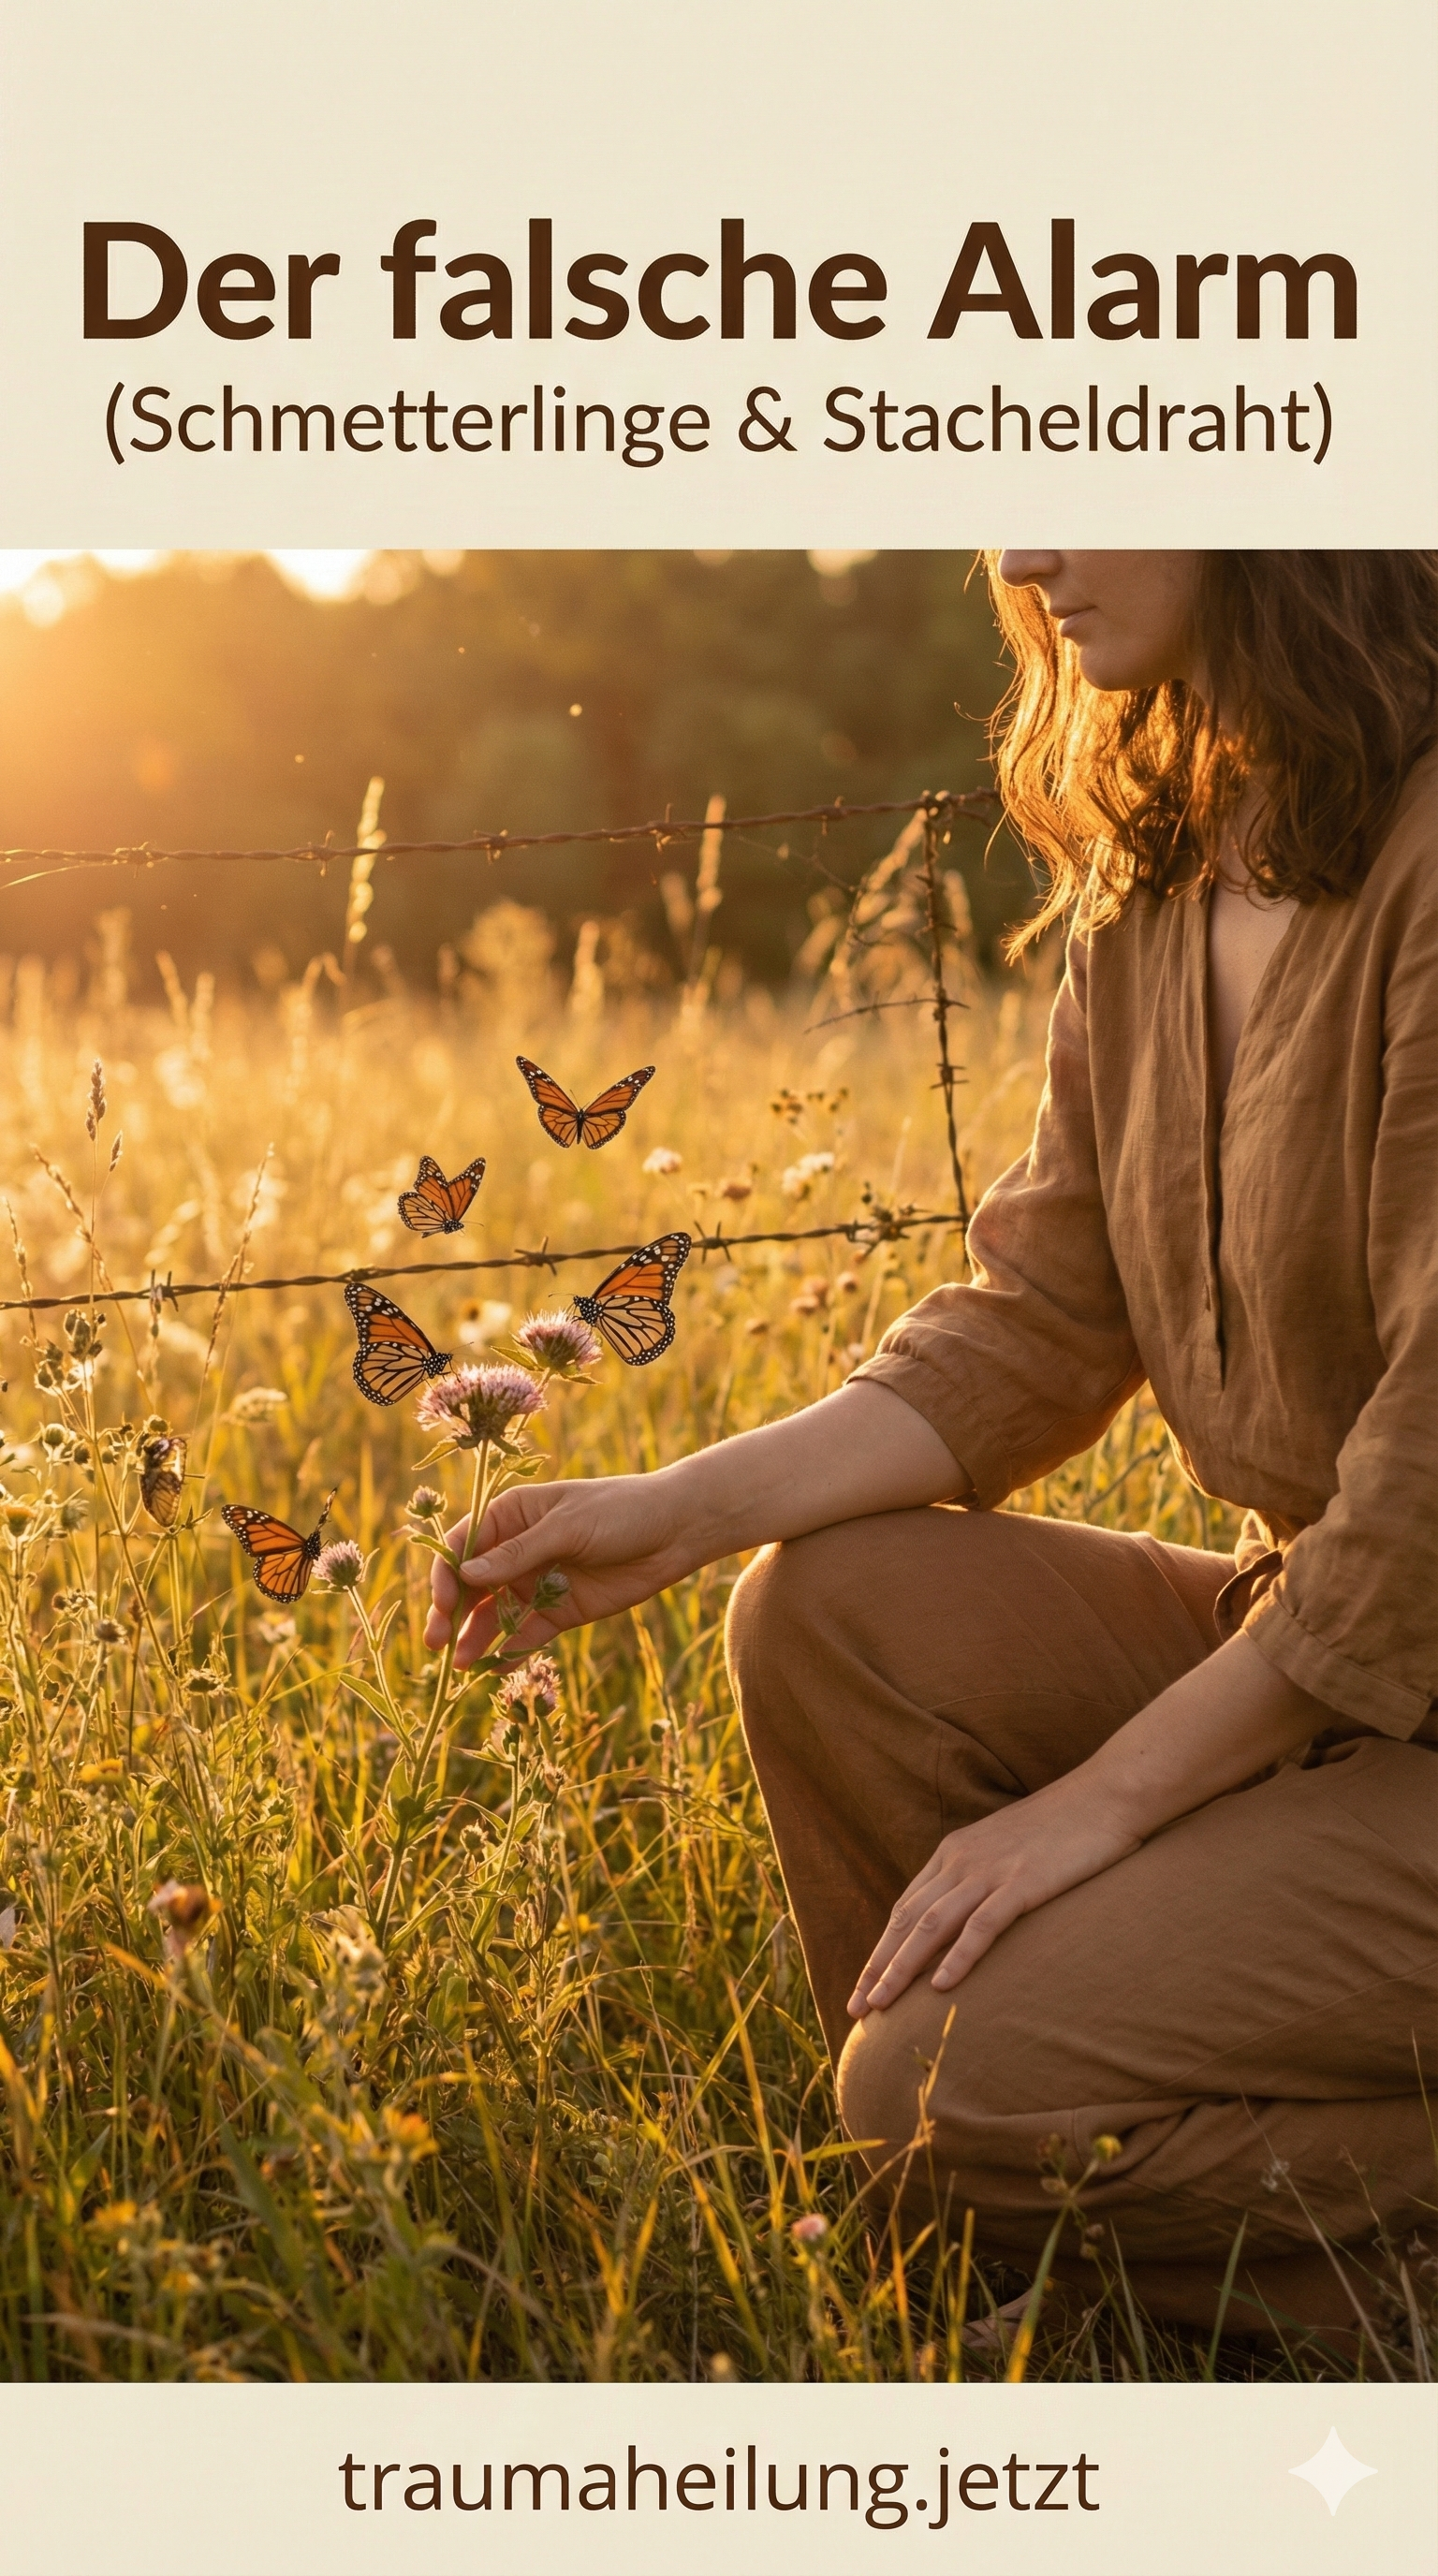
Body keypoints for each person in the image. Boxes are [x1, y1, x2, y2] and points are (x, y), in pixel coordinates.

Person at [428, 552, 1438, 2344]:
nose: (1028, 549)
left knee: (936, 2087)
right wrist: (675, 1510)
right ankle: (1048, 2245)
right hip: (1340, 1674)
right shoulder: (1163, 873)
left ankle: (1134, 2220)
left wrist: (1102, 1806)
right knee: (827, 1609)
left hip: (1403, 1654)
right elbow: (1043, 1317)